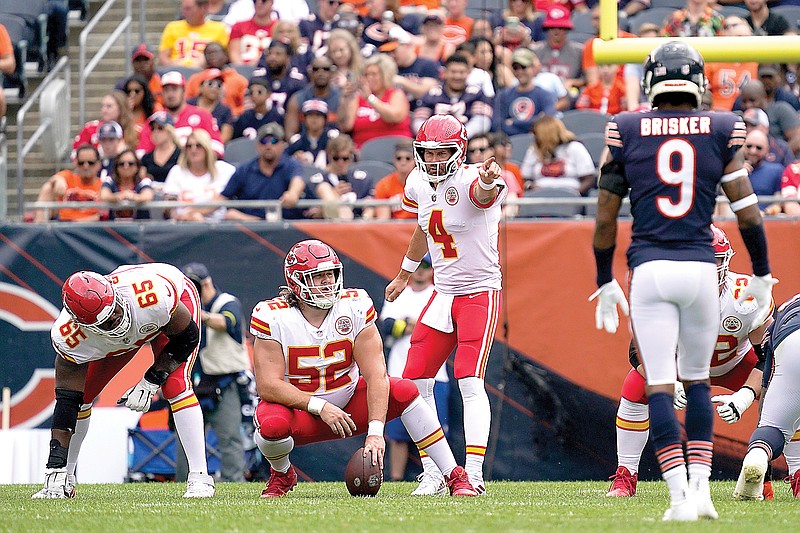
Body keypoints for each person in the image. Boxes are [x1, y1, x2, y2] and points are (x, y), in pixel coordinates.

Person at [590, 41, 777, 521]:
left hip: (651, 265)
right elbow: (748, 211)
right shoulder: (721, 126)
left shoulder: (626, 127)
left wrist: (603, 276)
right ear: (697, 82)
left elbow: (607, 215)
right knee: (695, 383)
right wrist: (760, 272)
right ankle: (701, 492)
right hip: (699, 267)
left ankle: (677, 499)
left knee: (659, 385)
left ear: (652, 82)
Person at [250, 239, 478, 498]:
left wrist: (375, 433)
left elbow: (376, 375)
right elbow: (268, 386)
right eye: (317, 276)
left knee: (404, 389)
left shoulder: (354, 305)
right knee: (271, 425)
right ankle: (282, 474)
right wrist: (320, 407)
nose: (327, 282)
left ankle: (454, 475)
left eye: (330, 274)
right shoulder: (273, 316)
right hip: (300, 412)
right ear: (296, 282)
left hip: (349, 403)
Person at [384, 114, 506, 495]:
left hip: (478, 291)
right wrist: (405, 274)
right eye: (428, 153)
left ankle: (474, 472)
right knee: (414, 378)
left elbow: (483, 194)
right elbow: (424, 227)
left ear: (460, 151)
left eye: (443, 153)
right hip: (444, 291)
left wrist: (487, 180)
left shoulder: (472, 177)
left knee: (469, 379)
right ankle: (437, 470)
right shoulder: (418, 181)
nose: (434, 161)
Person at [606, 225, 774, 499]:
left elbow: (768, 358)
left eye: (714, 261)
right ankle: (626, 476)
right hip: (681, 367)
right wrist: (669, 383)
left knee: (785, 388)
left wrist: (746, 394)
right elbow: (639, 352)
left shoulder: (746, 297)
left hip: (735, 363)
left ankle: (795, 472)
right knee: (635, 385)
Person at [31, 264, 214, 499]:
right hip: (120, 335)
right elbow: (67, 403)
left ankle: (200, 478)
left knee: (176, 385)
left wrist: (151, 379)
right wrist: (55, 464)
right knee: (82, 398)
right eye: (107, 321)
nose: (117, 320)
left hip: (168, 314)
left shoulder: (152, 296)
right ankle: (63, 478)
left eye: (115, 309)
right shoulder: (70, 337)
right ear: (83, 325)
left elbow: (187, 338)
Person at [380, 254, 451, 482]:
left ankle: (438, 477)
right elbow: (387, 326)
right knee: (397, 434)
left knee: (435, 431)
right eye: (418, 266)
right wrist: (416, 325)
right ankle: (396, 479)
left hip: (435, 374)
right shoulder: (400, 292)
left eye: (427, 266)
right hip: (399, 372)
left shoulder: (439, 294)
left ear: (433, 270)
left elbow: (443, 328)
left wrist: (410, 324)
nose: (421, 271)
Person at [183, 263, 251, 483]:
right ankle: (185, 482)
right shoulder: (186, 308)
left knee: (230, 436)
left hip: (224, 382)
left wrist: (196, 314)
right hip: (193, 383)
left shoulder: (227, 302)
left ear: (206, 284)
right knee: (186, 439)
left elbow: (226, 322)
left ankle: (234, 481)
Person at [734, 291, 800, 500]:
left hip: (790, 341)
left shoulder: (787, 305)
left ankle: (758, 456)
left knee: (776, 428)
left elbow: (766, 369)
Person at [219, 122, 305, 220]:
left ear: (282, 145)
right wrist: (199, 211)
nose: (268, 146)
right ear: (258, 146)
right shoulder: (244, 170)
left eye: (274, 141)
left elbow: (298, 181)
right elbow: (222, 198)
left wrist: (293, 193)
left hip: (286, 227)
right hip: (250, 228)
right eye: (264, 141)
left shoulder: (291, 164)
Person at [136, 71, 224, 158]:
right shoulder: (154, 121)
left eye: (174, 89)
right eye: (166, 90)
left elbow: (218, 148)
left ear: (183, 91)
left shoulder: (202, 115)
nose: (170, 94)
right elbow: (141, 153)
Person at [338, 53, 412, 149]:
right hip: (363, 151)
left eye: (373, 74)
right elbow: (346, 126)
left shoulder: (396, 94)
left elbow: (394, 117)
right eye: (366, 74)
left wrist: (370, 98)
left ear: (385, 75)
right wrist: (345, 100)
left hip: (394, 149)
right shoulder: (358, 97)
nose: (369, 78)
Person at [163, 129, 236, 222]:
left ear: (207, 148)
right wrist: (178, 216)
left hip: (219, 226)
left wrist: (196, 213)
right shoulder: (177, 171)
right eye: (189, 146)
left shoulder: (225, 169)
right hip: (184, 225)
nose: (193, 150)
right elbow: (169, 206)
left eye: (199, 145)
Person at [412, 55, 493, 139]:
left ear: (468, 73)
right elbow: (418, 122)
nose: (457, 76)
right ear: (445, 73)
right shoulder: (432, 94)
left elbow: (483, 122)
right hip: (435, 144)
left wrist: (461, 136)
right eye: (453, 72)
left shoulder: (477, 94)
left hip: (469, 143)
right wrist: (434, 138)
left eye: (461, 72)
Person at [521, 116, 595, 195]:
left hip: (570, 194)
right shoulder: (534, 150)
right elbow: (525, 178)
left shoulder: (575, 147)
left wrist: (574, 194)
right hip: (540, 195)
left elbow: (589, 180)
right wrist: (530, 187)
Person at [494, 48, 557, 137]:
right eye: (516, 68)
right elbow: (497, 125)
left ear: (532, 68)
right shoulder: (503, 95)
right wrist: (534, 122)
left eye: (524, 67)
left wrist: (513, 122)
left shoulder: (544, 95)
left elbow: (548, 120)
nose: (519, 72)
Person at [33, 145, 105, 223]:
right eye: (81, 163)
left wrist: (76, 223)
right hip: (63, 225)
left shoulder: (103, 186)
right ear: (76, 164)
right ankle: (39, 226)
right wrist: (59, 181)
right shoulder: (69, 177)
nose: (85, 166)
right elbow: (55, 178)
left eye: (91, 163)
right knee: (48, 187)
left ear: (98, 165)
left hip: (89, 227)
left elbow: (101, 216)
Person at [283, 56, 342, 140]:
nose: (320, 73)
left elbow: (344, 129)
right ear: (310, 72)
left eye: (325, 69)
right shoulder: (297, 98)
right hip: (304, 148)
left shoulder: (340, 98)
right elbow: (290, 133)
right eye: (316, 69)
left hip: (334, 147)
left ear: (332, 72)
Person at [185, 42, 249, 118]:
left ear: (225, 55)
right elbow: (186, 103)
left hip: (231, 120)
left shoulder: (239, 80)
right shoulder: (195, 79)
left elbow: (246, 106)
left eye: (216, 52)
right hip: (198, 119)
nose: (212, 56)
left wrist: (229, 114)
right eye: (208, 53)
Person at [159, 0, 229, 68]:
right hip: (177, 72)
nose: (184, 13)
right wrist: (176, 67)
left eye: (188, 9)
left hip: (206, 73)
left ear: (203, 8)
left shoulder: (219, 28)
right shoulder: (172, 27)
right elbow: (163, 57)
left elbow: (223, 58)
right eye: (183, 8)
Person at [73, 92, 137, 155]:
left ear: (121, 108)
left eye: (109, 106)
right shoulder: (90, 128)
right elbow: (76, 153)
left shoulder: (135, 130)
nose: (104, 110)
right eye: (102, 106)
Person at [100, 149, 154, 220]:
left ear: (137, 167)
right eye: (121, 164)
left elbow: (148, 196)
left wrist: (132, 197)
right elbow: (104, 195)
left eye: (130, 163)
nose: (126, 167)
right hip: (114, 228)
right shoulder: (110, 180)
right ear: (117, 167)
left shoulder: (144, 181)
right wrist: (119, 196)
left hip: (140, 227)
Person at [186, 68, 235, 143]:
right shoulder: (188, 104)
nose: (214, 88)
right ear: (200, 87)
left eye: (219, 85)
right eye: (210, 83)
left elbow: (225, 137)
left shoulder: (225, 110)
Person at [374, 140, 418, 220]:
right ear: (394, 160)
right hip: (394, 229)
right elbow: (383, 219)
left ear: (415, 160)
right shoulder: (384, 184)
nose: (403, 162)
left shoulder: (423, 183)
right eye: (399, 158)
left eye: (408, 158)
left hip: (417, 228)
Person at [228, 0, 277, 65]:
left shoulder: (278, 28)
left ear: (272, 2)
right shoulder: (239, 26)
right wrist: (243, 69)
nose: (259, 3)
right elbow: (234, 53)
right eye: (255, 1)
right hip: (244, 69)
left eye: (264, 0)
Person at [140, 112, 182, 186]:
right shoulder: (146, 158)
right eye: (153, 129)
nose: (155, 132)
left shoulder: (181, 154)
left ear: (169, 130)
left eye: (160, 128)